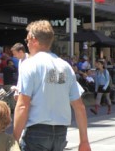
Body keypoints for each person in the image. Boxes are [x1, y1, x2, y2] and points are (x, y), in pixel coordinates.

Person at [12, 20, 91, 151]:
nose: (27, 44)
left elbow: (22, 105)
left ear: (33, 39)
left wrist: (14, 139)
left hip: (37, 132)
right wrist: (84, 141)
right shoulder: (65, 67)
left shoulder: (30, 64)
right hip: (60, 133)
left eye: (27, 40)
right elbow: (79, 106)